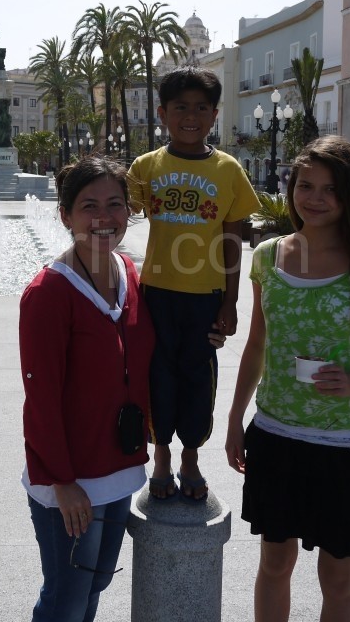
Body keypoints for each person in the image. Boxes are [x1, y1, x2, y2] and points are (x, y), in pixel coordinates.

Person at [224, 136, 350, 622]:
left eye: (330, 189)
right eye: (305, 185)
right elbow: (256, 345)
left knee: (338, 578)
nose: (313, 198)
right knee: (274, 563)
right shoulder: (267, 256)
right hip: (275, 435)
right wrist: (233, 419)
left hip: (343, 445)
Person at [20, 155, 153, 622]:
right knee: (67, 597)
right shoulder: (49, 293)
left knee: (95, 581)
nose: (104, 218)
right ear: (65, 215)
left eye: (115, 204)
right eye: (88, 205)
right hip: (71, 479)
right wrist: (62, 481)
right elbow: (41, 400)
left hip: (117, 468)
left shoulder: (128, 275)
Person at [128, 66, 260, 502]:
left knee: (198, 376)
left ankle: (190, 455)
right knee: (158, 373)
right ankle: (161, 452)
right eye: (180, 107)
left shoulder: (228, 169)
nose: (191, 116)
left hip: (206, 297)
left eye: (201, 108)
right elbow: (112, 218)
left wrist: (231, 301)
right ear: (163, 113)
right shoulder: (145, 167)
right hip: (156, 295)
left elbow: (233, 239)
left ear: (214, 114)